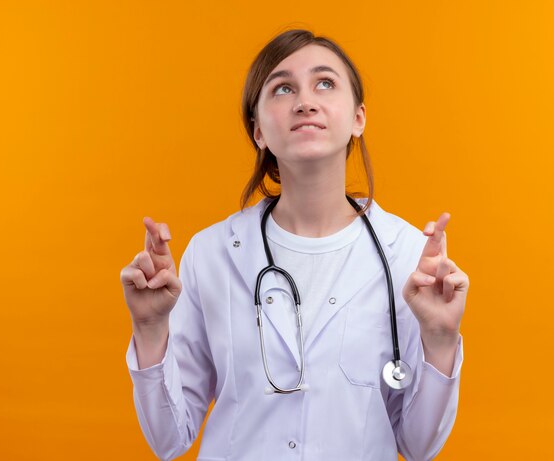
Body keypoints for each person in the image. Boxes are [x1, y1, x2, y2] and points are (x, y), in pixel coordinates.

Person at [120, 29, 469, 461]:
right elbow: (169, 439)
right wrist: (150, 330)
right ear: (258, 130)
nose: (305, 101)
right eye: (283, 88)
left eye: (325, 83)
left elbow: (418, 447)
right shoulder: (211, 254)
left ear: (358, 118)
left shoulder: (407, 257)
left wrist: (440, 338)